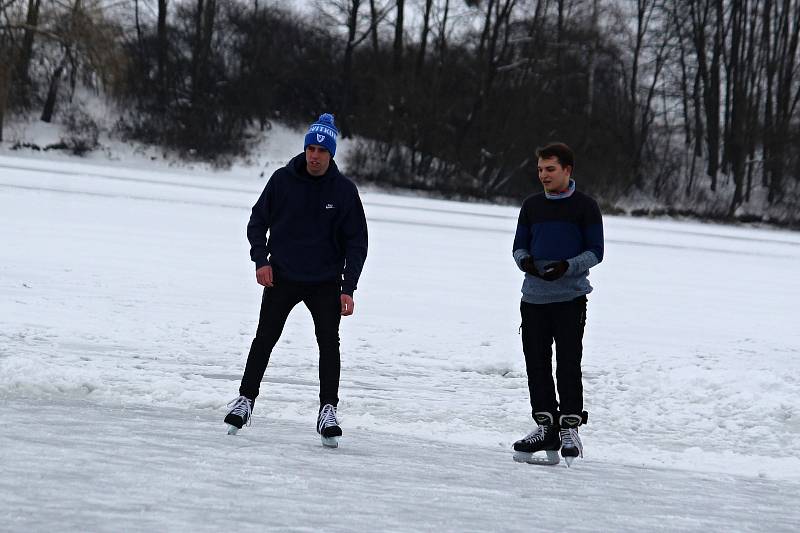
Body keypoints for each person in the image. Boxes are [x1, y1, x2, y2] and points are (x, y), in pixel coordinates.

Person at [224, 113, 368, 447]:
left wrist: (348, 287)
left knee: (328, 343)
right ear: (305, 150)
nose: (315, 155)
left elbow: (357, 242)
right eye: (311, 149)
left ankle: (327, 410)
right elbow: (257, 222)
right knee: (264, 338)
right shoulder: (282, 181)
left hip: (325, 282)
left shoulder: (344, 191)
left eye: (321, 150)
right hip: (283, 275)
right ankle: (245, 400)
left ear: (331, 154)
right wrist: (261, 260)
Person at [511, 142, 604, 466]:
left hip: (569, 299)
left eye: (550, 169)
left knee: (567, 364)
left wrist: (567, 266)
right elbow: (519, 247)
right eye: (540, 169)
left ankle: (569, 428)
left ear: (567, 170)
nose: (543, 175)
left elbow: (596, 251)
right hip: (534, 299)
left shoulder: (585, 207)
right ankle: (545, 425)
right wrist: (527, 264)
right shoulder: (532, 206)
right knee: (536, 364)